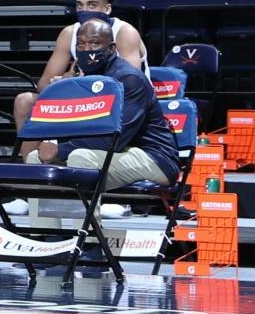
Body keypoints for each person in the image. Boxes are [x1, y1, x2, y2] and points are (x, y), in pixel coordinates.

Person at [23, 20, 177, 202]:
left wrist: (60, 150)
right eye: (81, 44)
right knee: (35, 159)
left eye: (95, 43)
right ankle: (44, 230)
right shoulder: (85, 81)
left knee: (80, 157)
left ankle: (84, 230)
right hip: (107, 153)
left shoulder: (128, 79)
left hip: (152, 157)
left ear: (111, 48)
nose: (87, 49)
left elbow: (115, 139)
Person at [11, 0, 148, 171]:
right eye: (79, 5)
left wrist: (78, 82)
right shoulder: (70, 33)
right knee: (26, 101)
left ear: (107, 8)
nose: (84, 10)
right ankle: (30, 177)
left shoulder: (124, 32)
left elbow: (127, 83)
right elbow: (44, 84)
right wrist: (66, 80)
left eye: (92, 5)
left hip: (122, 103)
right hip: (85, 100)